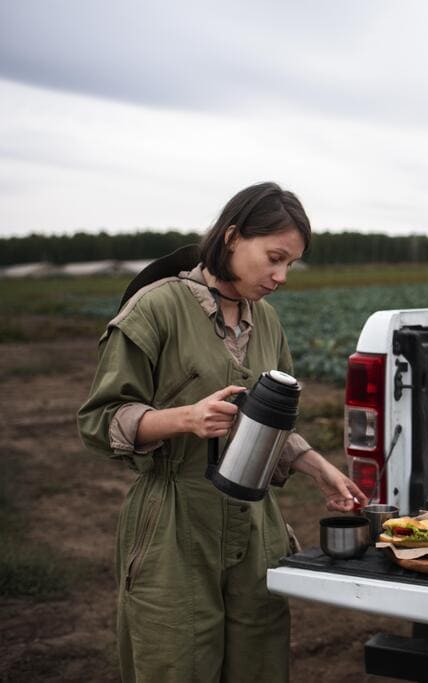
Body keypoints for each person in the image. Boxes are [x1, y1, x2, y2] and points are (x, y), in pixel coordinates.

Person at [78, 182, 368, 682]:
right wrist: (184, 419)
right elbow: (100, 420)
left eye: (291, 265)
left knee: (260, 659)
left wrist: (313, 464)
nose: (280, 277)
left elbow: (270, 422)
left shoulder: (267, 321)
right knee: (176, 660)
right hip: (174, 522)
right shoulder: (156, 308)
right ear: (232, 236)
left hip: (256, 524)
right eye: (274, 258)